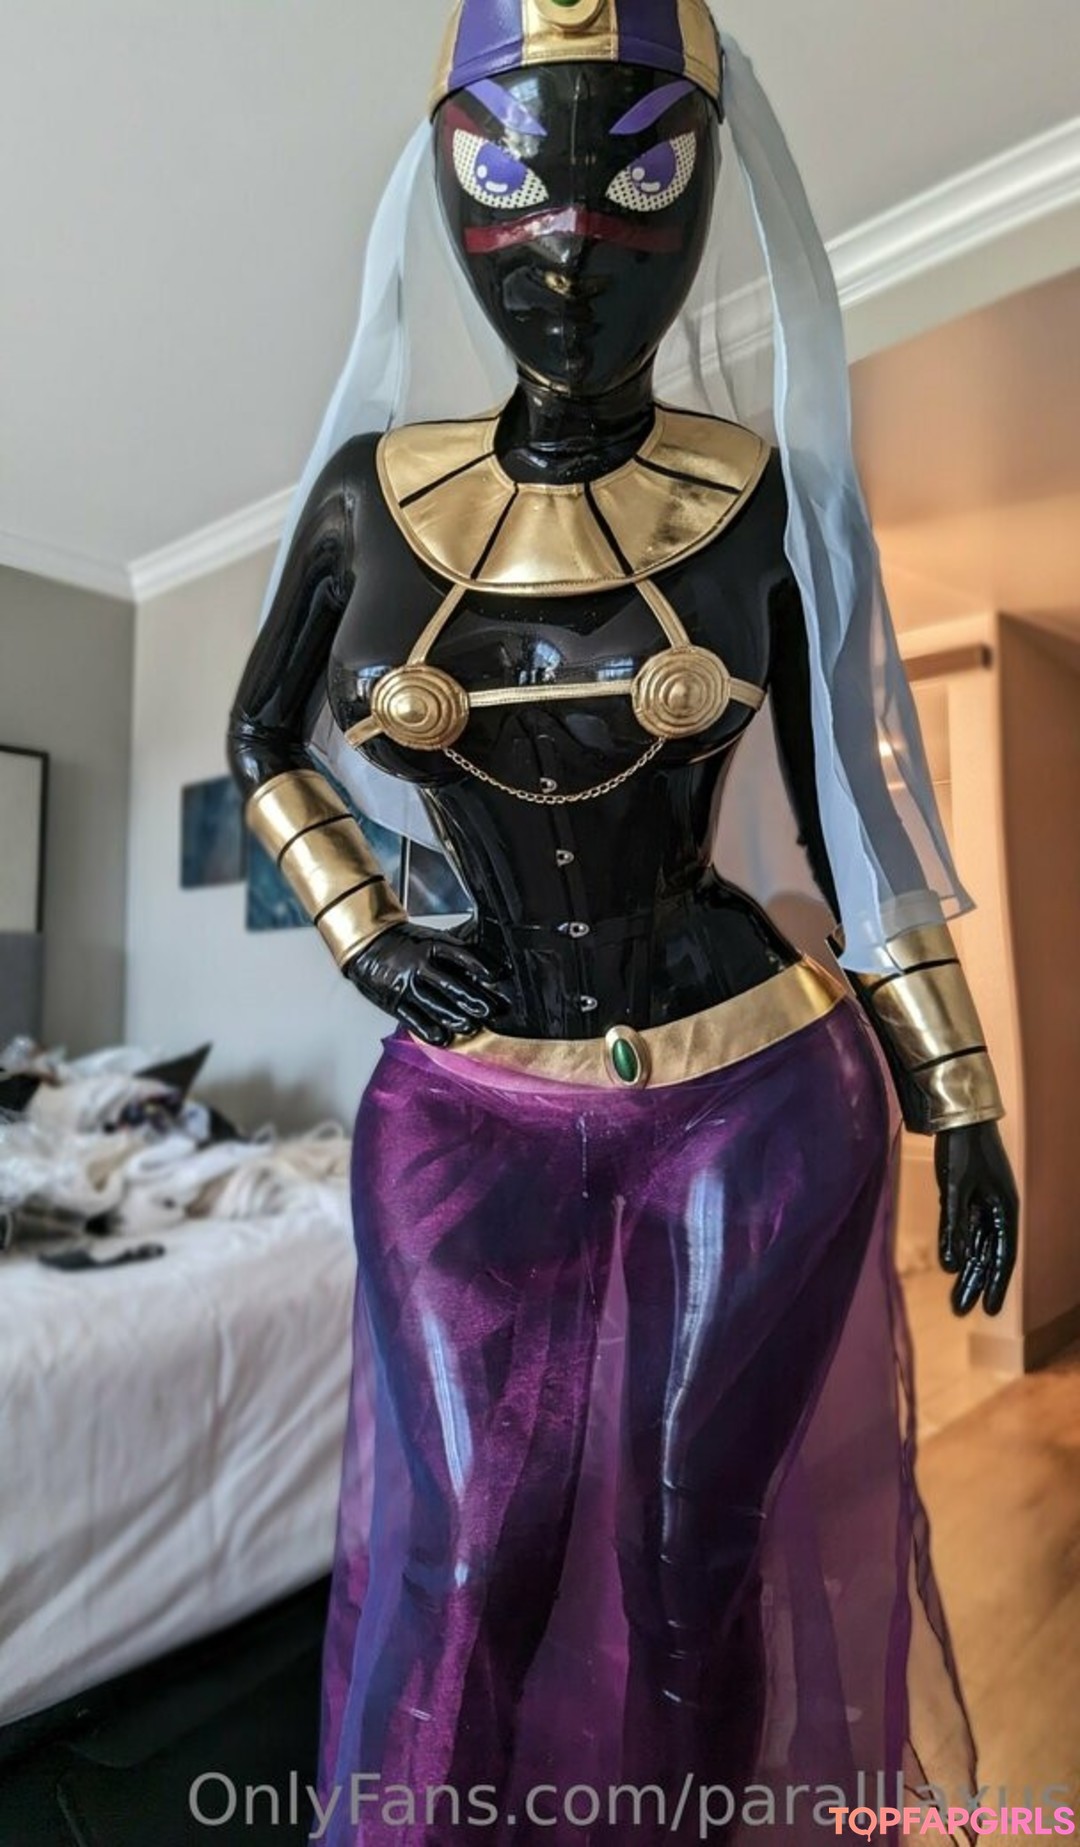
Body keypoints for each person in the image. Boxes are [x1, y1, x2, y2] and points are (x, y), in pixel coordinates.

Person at [228, 4, 1018, 1840]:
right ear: (444, 192)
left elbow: (860, 808)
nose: (569, 247)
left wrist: (958, 1089)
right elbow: (260, 739)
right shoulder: (370, 499)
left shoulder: (763, 503)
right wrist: (367, 932)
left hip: (757, 1087)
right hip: (459, 1100)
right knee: (465, 1556)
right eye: (510, 184)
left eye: (638, 181)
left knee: (689, 1557)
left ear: (710, 194)